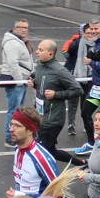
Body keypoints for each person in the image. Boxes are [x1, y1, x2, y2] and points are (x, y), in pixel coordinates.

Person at [28, 39, 86, 167]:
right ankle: (82, 163)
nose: (36, 52)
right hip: (41, 116)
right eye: (38, 49)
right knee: (50, 151)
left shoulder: (60, 71)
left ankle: (47, 179)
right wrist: (33, 82)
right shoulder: (40, 66)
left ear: (50, 54)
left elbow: (78, 90)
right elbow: (39, 79)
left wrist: (57, 94)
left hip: (52, 120)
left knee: (42, 152)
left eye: (41, 50)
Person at [73, 20, 100, 155]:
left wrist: (92, 62)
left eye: (96, 28)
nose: (93, 31)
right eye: (91, 28)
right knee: (85, 112)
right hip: (97, 89)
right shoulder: (95, 43)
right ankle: (91, 142)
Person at [4, 107, 59, 198]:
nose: (11, 129)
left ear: (30, 131)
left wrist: (23, 197)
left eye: (17, 126)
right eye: (11, 124)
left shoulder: (41, 158)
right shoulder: (17, 148)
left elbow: (60, 195)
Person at [1, 19, 34, 148]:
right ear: (15, 29)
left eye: (26, 27)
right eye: (21, 27)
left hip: (21, 80)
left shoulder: (21, 42)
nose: (24, 30)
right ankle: (9, 138)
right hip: (15, 81)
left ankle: (15, 136)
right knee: (13, 111)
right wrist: (20, 80)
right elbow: (12, 63)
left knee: (18, 110)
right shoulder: (12, 43)